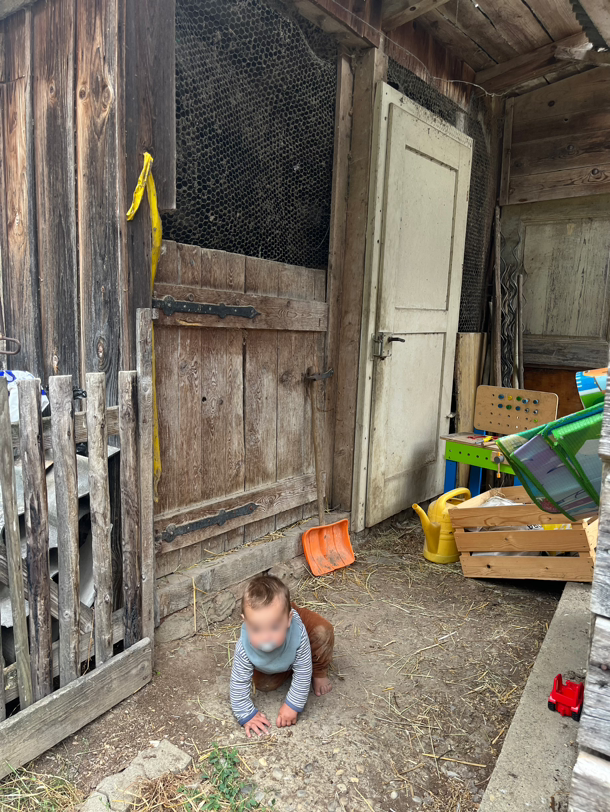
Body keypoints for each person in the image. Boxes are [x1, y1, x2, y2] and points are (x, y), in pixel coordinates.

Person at [230, 574, 334, 737]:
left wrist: (293, 705)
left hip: (297, 626)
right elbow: (238, 682)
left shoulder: (298, 634)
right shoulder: (244, 647)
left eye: (274, 628)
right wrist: (246, 714)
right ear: (245, 622)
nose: (266, 638)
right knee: (264, 684)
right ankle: (284, 663)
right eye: (256, 629)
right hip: (279, 647)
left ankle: (319, 670)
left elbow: (303, 671)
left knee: (322, 632)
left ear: (288, 620)